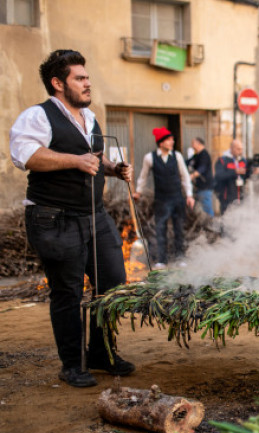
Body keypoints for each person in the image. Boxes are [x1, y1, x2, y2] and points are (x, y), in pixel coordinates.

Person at [9, 49, 136, 387]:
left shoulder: (90, 118)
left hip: (94, 215)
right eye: (79, 78)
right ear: (57, 83)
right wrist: (74, 161)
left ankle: (101, 352)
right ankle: (72, 364)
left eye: (87, 77)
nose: (87, 83)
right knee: (67, 292)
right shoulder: (37, 116)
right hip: (54, 218)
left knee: (112, 284)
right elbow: (29, 157)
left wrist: (112, 168)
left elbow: (94, 158)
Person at [133, 127, 194, 269]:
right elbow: (143, 176)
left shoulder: (177, 156)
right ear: (161, 143)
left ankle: (180, 257)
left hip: (177, 198)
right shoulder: (150, 158)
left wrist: (189, 195)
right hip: (161, 199)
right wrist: (138, 192)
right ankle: (162, 260)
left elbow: (185, 176)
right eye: (169, 140)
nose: (172, 142)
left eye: (172, 139)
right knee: (161, 229)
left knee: (179, 228)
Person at [214, 139, 259, 215]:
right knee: (227, 220)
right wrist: (235, 172)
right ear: (231, 148)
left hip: (241, 196)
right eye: (238, 149)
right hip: (227, 197)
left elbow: (246, 176)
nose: (240, 151)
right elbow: (219, 175)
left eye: (241, 149)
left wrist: (253, 172)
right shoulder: (222, 160)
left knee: (240, 220)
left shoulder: (243, 160)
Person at [188, 137, 214, 217]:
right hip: (198, 187)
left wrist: (192, 175)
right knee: (199, 209)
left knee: (207, 208)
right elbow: (187, 163)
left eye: (193, 143)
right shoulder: (196, 155)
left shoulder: (204, 155)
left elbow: (202, 168)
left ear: (198, 143)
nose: (192, 145)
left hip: (205, 187)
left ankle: (211, 225)